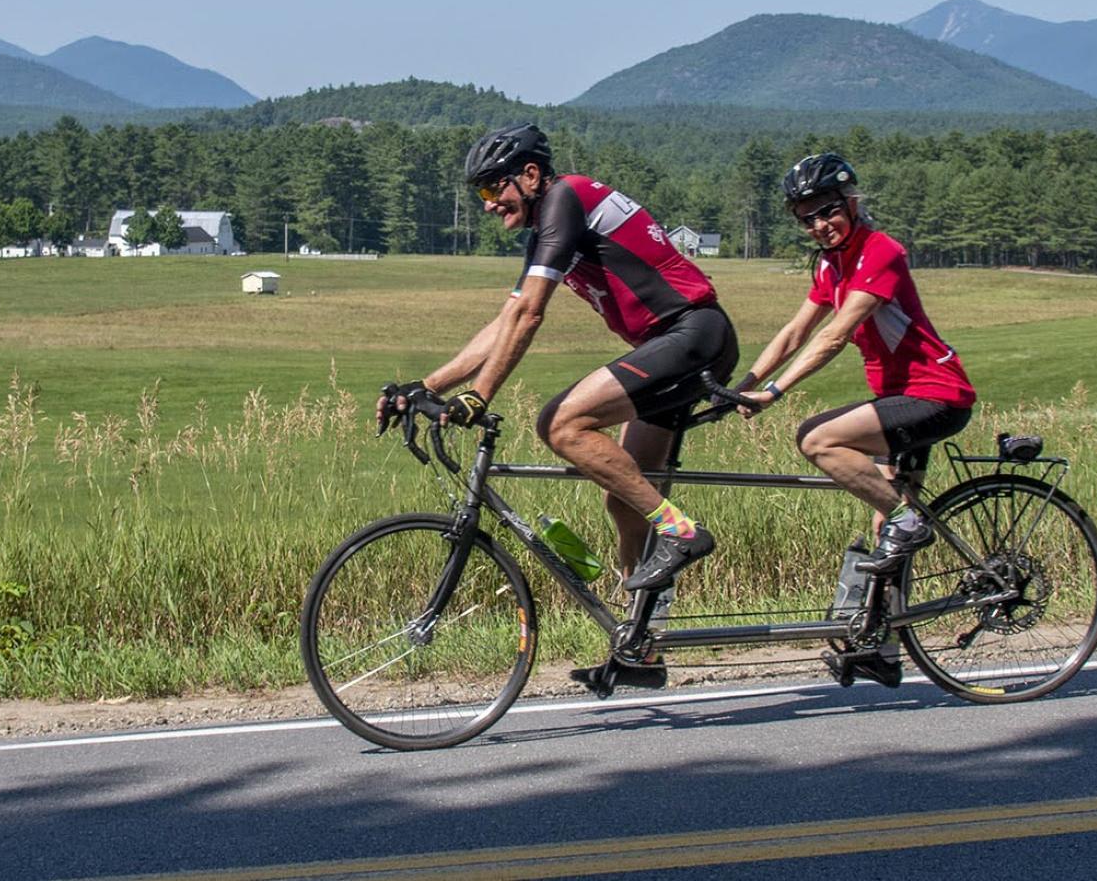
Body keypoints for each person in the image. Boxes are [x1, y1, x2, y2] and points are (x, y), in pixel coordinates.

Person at [377, 123, 739, 690]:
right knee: (624, 500)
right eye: (481, 195)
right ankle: (641, 649)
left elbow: (529, 316)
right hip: (670, 346)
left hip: (693, 336)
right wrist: (426, 384)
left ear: (530, 174)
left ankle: (681, 532)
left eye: (495, 188)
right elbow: (505, 320)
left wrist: (480, 395)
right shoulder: (553, 218)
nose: (491, 204)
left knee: (562, 423)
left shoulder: (565, 198)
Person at [736, 153, 976, 686]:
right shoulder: (828, 263)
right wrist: (745, 384)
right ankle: (881, 649)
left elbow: (835, 334)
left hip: (935, 393)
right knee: (883, 520)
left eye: (828, 212)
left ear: (851, 202)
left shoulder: (880, 251)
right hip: (901, 396)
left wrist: (775, 393)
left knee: (819, 439)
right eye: (807, 218)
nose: (820, 225)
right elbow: (796, 331)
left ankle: (910, 523)